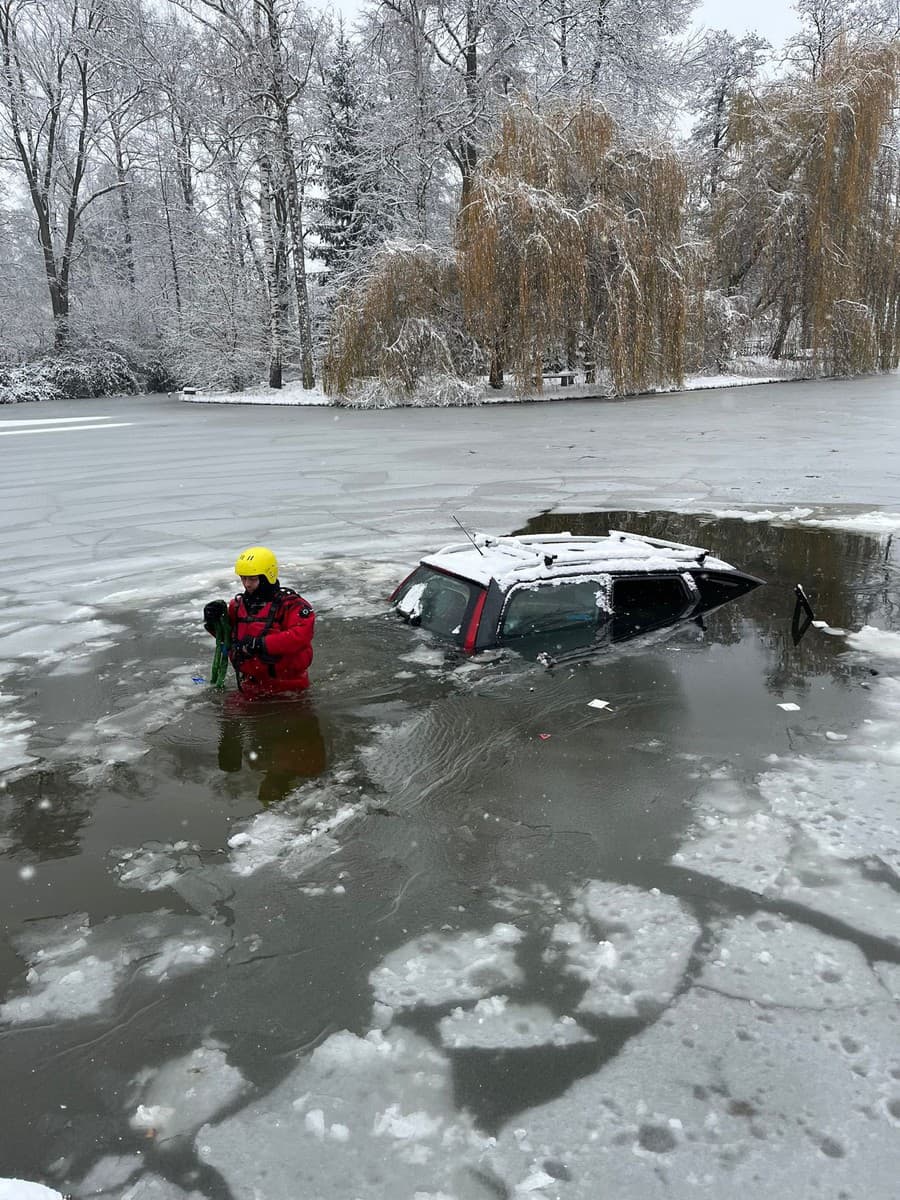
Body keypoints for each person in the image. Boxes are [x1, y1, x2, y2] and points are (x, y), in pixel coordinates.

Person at [203, 546, 315, 695]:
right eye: (243, 578)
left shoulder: (292, 605)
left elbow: (299, 637)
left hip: (290, 688)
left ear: (267, 577)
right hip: (250, 684)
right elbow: (227, 637)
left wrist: (260, 644)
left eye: (252, 579)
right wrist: (213, 620)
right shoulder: (237, 606)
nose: (247, 584)